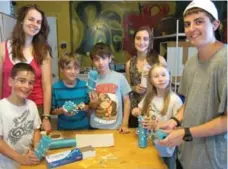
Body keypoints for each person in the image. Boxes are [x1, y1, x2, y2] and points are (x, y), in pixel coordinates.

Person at [158, 1, 227, 169]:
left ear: (215, 24)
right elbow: (190, 102)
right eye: (187, 24)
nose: (191, 29)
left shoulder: (224, 62)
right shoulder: (190, 63)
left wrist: (186, 133)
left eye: (199, 21)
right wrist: (175, 120)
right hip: (187, 156)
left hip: (211, 161)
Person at [0, 4, 52, 133]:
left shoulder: (43, 51)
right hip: (8, 109)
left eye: (38, 22)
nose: (34, 24)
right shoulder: (2, 48)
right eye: (31, 19)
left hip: (36, 108)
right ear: (22, 20)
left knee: (35, 148)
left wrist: (46, 116)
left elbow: (47, 85)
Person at [132, 63, 183, 169]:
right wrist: (136, 111)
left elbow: (178, 128)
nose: (160, 79)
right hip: (150, 146)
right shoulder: (149, 96)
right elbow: (139, 110)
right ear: (151, 80)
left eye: (163, 75)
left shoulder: (175, 100)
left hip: (166, 150)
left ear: (169, 76)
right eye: (156, 76)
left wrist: (156, 125)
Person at [0, 63, 41, 169]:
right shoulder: (1, 108)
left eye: (31, 83)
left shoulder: (32, 106)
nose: (27, 86)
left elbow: (36, 130)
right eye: (22, 81)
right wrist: (21, 158)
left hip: (27, 164)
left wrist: (37, 149)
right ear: (10, 82)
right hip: (6, 165)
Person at [125, 26, 167, 128]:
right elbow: (127, 89)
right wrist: (134, 88)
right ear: (134, 40)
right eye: (138, 38)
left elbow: (166, 87)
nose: (141, 42)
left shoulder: (159, 60)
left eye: (145, 39)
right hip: (136, 112)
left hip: (154, 111)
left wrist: (151, 85)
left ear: (150, 41)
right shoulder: (129, 64)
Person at [89, 42, 131, 133]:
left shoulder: (120, 77)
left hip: (116, 127)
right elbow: (90, 107)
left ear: (110, 59)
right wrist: (92, 104)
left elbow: (127, 102)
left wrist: (125, 124)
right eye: (96, 59)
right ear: (92, 61)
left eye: (103, 58)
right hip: (96, 127)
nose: (100, 63)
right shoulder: (91, 81)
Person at [51, 52, 90, 130]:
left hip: (84, 128)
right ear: (62, 69)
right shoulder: (55, 88)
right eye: (69, 68)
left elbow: (90, 107)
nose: (73, 71)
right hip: (63, 129)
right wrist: (62, 110)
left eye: (76, 68)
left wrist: (85, 107)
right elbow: (52, 111)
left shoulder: (85, 86)